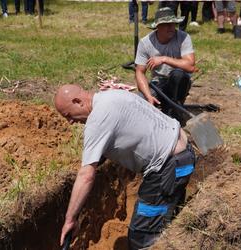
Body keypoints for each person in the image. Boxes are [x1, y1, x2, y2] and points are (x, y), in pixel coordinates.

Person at [55, 85, 195, 249]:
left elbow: (86, 176)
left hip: (168, 169)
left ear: (78, 101)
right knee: (166, 219)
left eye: (68, 115)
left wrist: (70, 219)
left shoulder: (97, 120)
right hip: (186, 156)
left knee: (142, 237)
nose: (70, 122)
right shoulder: (113, 96)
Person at [135, 7, 195, 122]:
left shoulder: (183, 37)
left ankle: (176, 106)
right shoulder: (145, 43)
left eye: (173, 24)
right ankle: (164, 106)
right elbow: (140, 72)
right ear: (157, 26)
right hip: (158, 84)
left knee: (178, 75)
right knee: (139, 100)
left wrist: (164, 59)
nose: (171, 27)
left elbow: (190, 66)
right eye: (167, 24)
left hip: (178, 82)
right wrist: (148, 96)